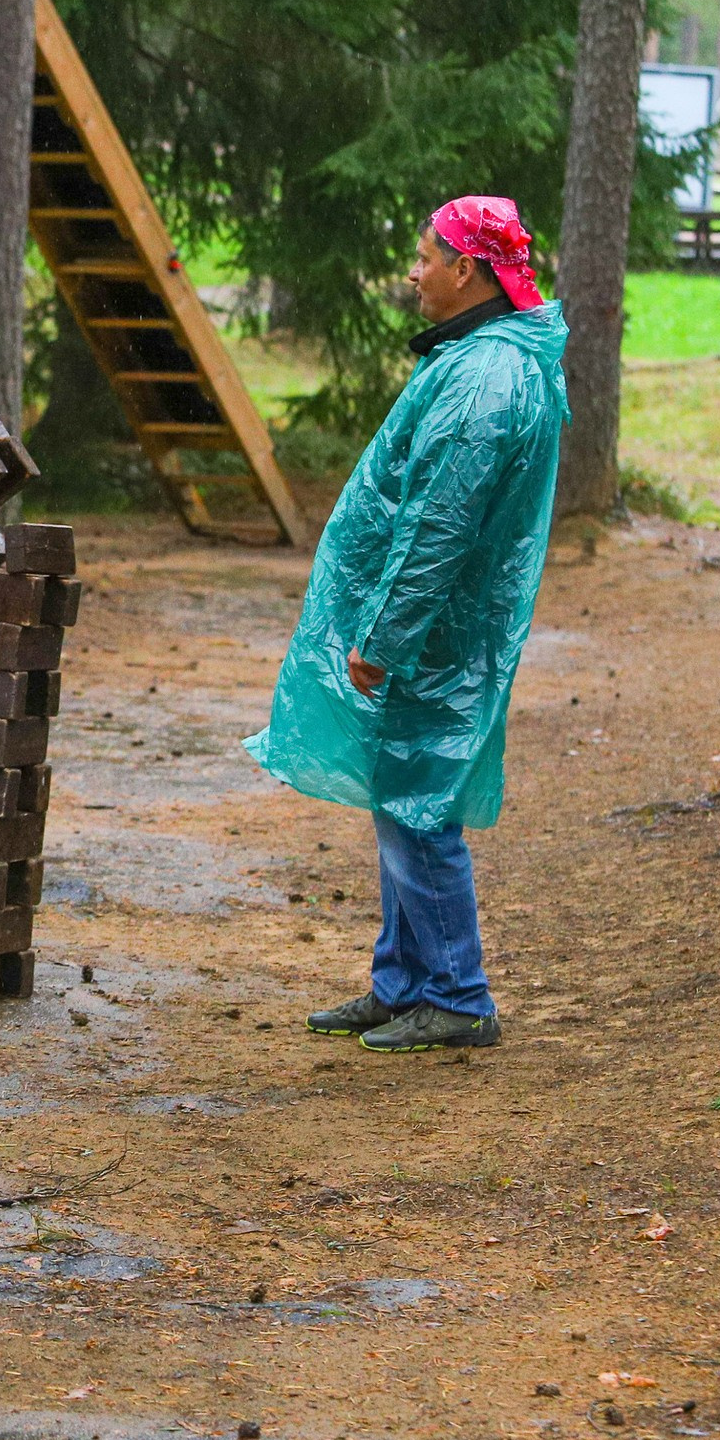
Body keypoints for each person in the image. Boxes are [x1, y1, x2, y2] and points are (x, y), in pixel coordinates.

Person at [244, 196, 567, 1053]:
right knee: (401, 796)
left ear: (468, 269)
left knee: (420, 805)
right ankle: (403, 983)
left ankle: (459, 995)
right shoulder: (480, 355)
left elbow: (438, 527)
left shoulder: (484, 378)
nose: (413, 273)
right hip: (435, 632)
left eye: (425, 257)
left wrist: (383, 637)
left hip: (435, 637)